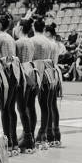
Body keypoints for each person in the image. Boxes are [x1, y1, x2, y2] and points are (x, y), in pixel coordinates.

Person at [0, 15, 22, 156]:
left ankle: (8, 143)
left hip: (5, 74)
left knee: (4, 109)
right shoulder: (11, 38)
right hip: (14, 73)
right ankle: (14, 142)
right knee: (10, 108)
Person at [30, 18, 55, 149]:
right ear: (44, 28)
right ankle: (43, 134)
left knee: (30, 105)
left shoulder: (32, 40)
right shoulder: (50, 42)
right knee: (45, 105)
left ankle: (31, 134)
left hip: (36, 72)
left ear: (34, 27)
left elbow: (30, 58)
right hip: (48, 72)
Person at [15, 19, 37, 154]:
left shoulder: (18, 42)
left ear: (21, 27)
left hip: (22, 72)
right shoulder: (31, 41)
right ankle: (29, 134)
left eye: (17, 26)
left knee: (21, 107)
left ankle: (27, 137)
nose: (15, 28)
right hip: (32, 70)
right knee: (30, 106)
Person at [45, 24, 62, 146]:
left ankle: (50, 133)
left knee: (48, 104)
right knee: (53, 104)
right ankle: (56, 133)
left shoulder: (48, 43)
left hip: (49, 72)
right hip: (56, 72)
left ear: (48, 33)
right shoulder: (55, 44)